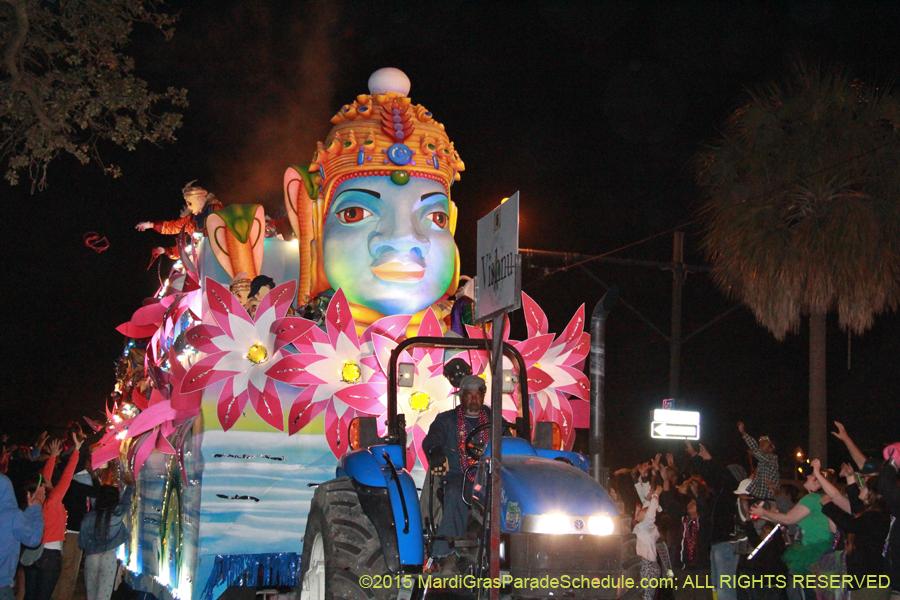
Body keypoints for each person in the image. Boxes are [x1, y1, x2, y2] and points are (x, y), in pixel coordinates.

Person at [421, 375, 490, 571]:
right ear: (461, 397)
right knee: (455, 493)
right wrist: (436, 451)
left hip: (488, 476)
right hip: (457, 475)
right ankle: (447, 553)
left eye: (478, 396)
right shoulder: (446, 419)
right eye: (469, 395)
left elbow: (509, 442)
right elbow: (431, 440)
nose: (474, 400)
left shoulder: (493, 420)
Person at [751, 467, 835, 600]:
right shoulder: (822, 499)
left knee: (808, 594)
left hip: (812, 554)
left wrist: (764, 512)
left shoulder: (811, 499)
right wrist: (764, 515)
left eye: (812, 476)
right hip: (824, 554)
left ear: (819, 483)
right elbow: (789, 519)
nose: (807, 477)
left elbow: (788, 519)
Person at [24, 435, 82, 600]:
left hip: (33, 553)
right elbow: (66, 477)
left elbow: (46, 478)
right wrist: (76, 452)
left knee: (30, 596)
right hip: (50, 555)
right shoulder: (52, 501)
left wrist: (52, 456)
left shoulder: (31, 503)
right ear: (42, 487)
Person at [78, 473, 134, 600]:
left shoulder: (88, 517)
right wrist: (130, 486)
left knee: (91, 595)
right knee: (104, 596)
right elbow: (125, 503)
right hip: (109, 557)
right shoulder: (116, 514)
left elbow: (81, 543)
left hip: (91, 557)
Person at [1, 475, 45, 600]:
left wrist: (30, 510)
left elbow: (17, 529)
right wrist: (36, 509)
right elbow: (33, 539)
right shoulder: (13, 515)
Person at [738, 422, 779, 500]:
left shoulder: (773, 458)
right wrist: (743, 432)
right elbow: (754, 446)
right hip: (760, 495)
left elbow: (758, 454)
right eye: (760, 443)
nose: (760, 445)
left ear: (771, 449)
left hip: (769, 497)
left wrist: (753, 452)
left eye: (763, 444)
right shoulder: (762, 455)